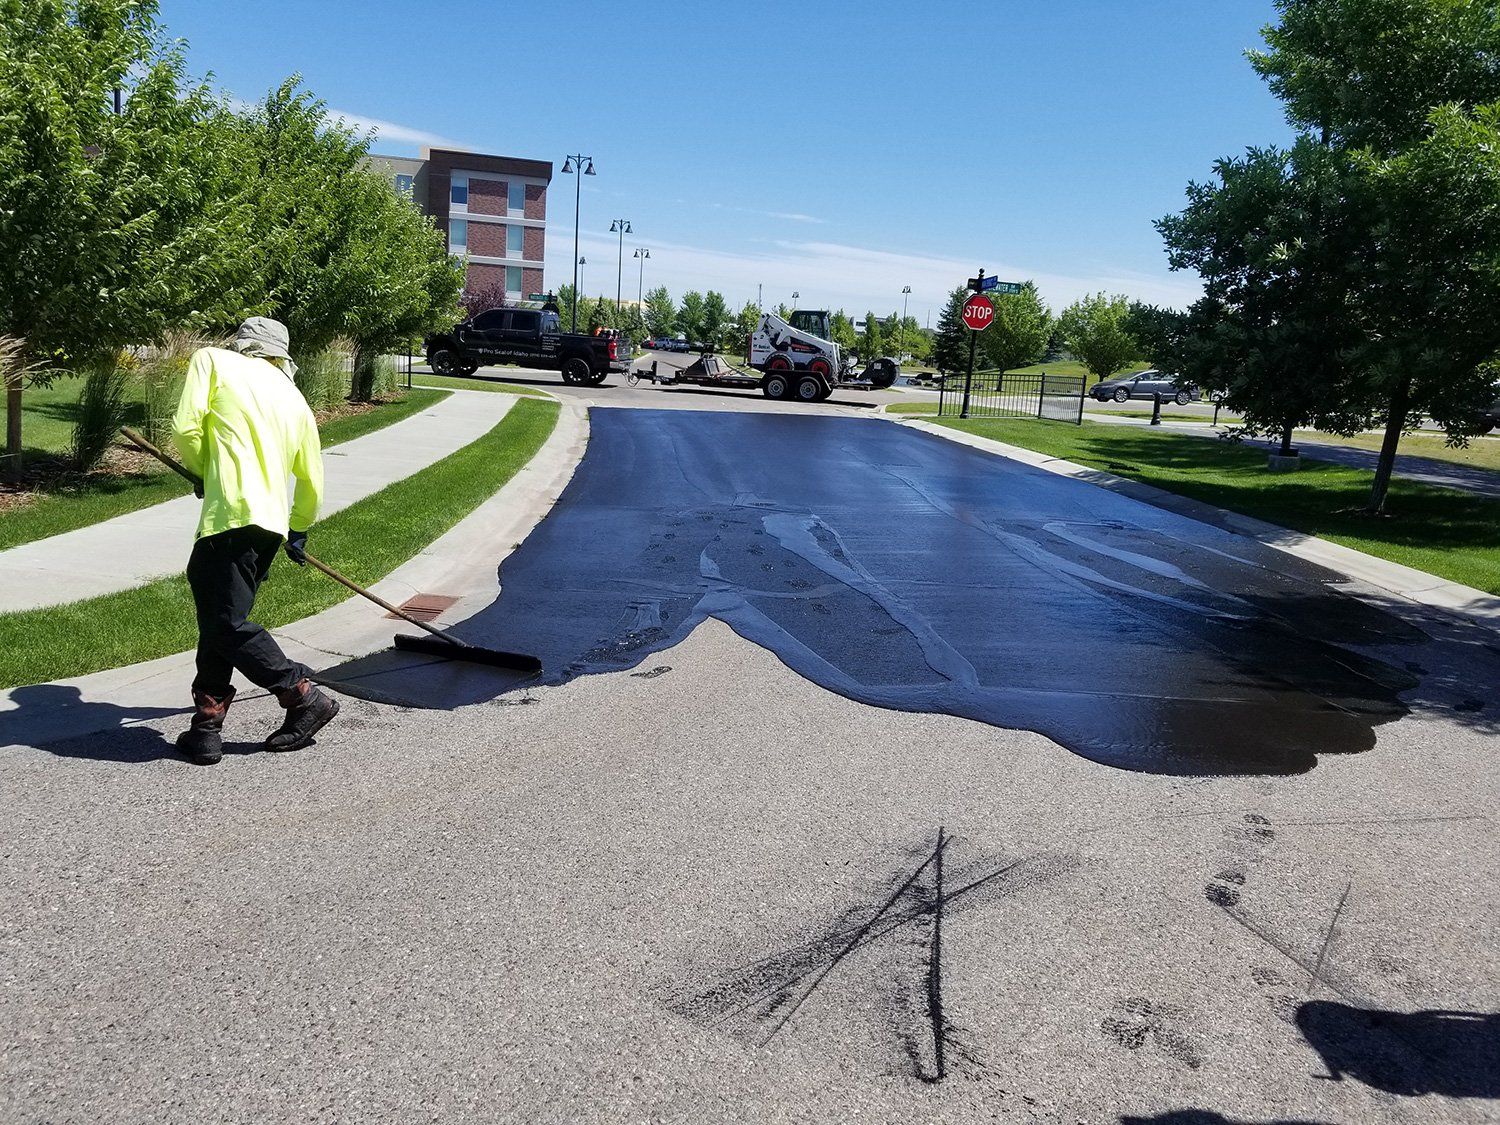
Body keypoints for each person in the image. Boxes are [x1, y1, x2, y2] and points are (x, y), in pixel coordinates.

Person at [170, 317, 339, 765]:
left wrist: (206, 471)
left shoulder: (213, 361)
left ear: (243, 345)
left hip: (230, 517)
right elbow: (311, 477)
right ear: (280, 355)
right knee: (220, 617)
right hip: (269, 527)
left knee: (225, 621)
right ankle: (206, 728)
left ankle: (301, 695)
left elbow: (187, 429)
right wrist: (299, 527)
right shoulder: (295, 399)